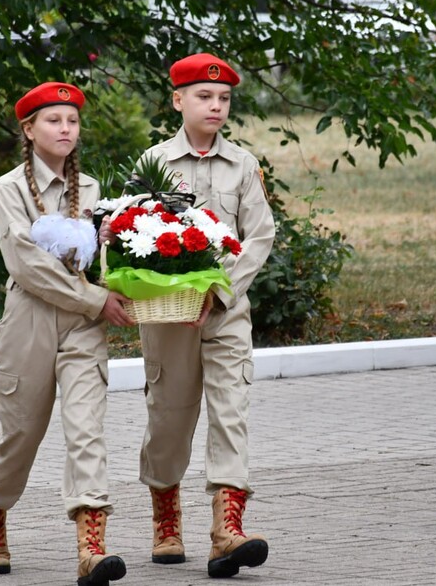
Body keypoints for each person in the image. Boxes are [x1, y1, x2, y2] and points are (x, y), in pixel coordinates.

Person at [0, 81, 134, 586]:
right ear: (28, 129)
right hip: (30, 321)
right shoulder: (9, 189)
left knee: (86, 430)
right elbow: (27, 267)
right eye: (53, 121)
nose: (65, 129)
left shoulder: (89, 189)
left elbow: (96, 260)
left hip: (83, 326)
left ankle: (92, 545)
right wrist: (96, 299)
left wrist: (124, 256)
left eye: (72, 121)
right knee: (18, 435)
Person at [135, 53, 276, 578]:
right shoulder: (154, 164)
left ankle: (227, 530)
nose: (215, 106)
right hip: (170, 317)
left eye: (223, 99)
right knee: (169, 418)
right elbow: (134, 237)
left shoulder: (243, 165)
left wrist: (222, 291)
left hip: (225, 312)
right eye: (204, 97)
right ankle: (166, 519)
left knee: (231, 413)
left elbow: (259, 235)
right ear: (178, 101)